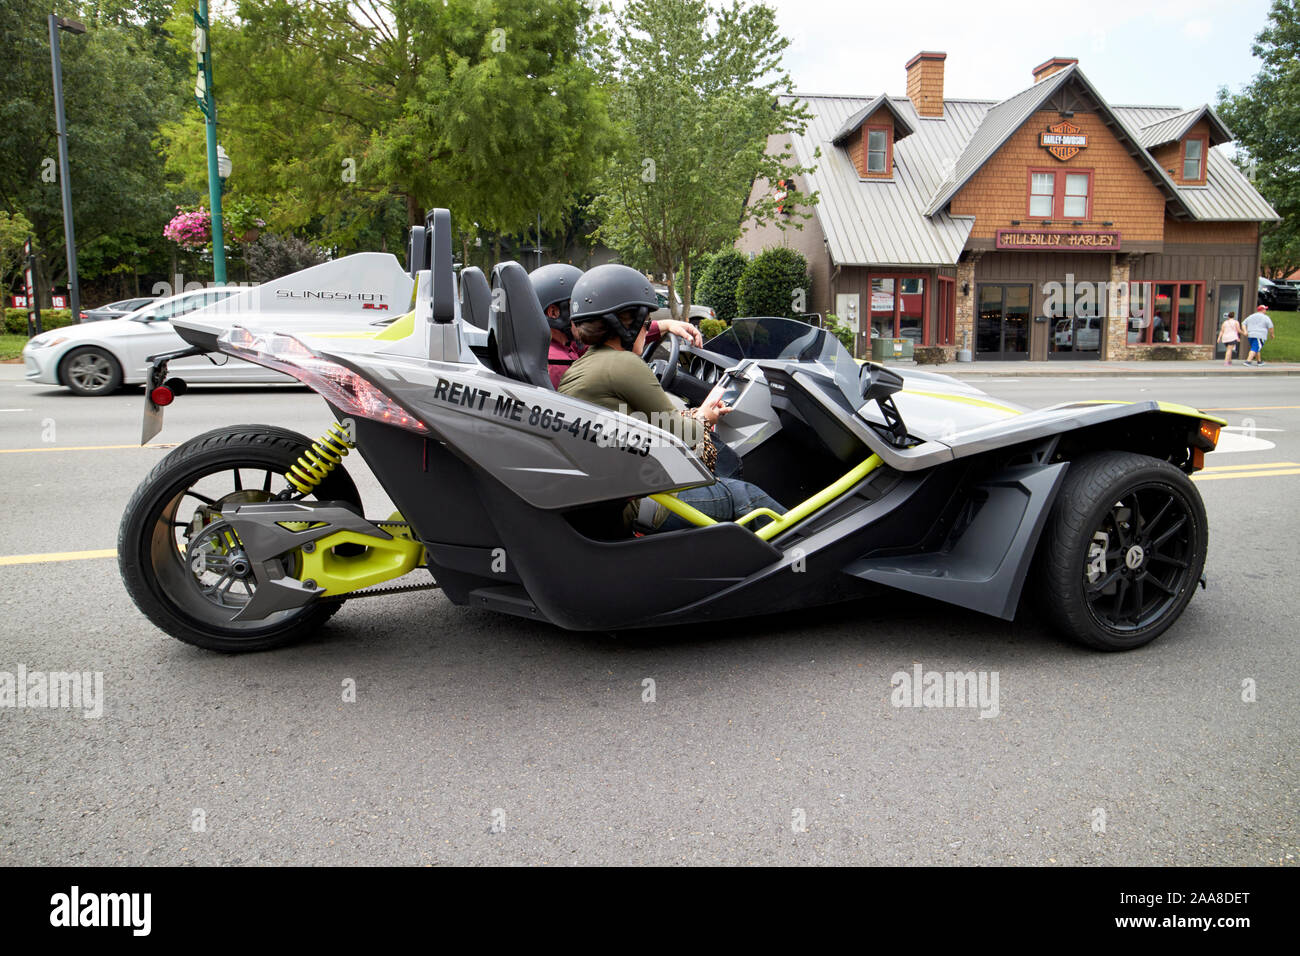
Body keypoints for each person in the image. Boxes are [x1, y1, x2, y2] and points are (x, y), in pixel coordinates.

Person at [557, 263, 784, 534]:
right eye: (643, 322)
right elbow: (684, 436)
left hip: (604, 503)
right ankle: (803, 550)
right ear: (624, 325)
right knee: (746, 497)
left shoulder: (581, 367)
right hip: (636, 505)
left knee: (716, 484)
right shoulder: (624, 364)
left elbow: (640, 424)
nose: (646, 328)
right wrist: (704, 417)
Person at [529, 263, 702, 389]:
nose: (586, 310)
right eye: (575, 304)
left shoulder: (563, 348)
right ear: (553, 312)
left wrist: (665, 325)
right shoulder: (556, 364)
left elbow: (606, 339)